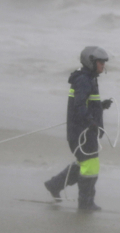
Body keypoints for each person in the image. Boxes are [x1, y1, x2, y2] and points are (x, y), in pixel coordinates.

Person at [44, 46, 112, 212]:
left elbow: (85, 104)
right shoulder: (83, 79)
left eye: (104, 62)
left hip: (83, 131)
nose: (103, 65)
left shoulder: (89, 78)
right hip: (81, 133)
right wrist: (90, 121)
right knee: (90, 166)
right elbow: (80, 105)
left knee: (84, 163)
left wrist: (99, 106)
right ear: (90, 62)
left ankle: (54, 185)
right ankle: (85, 202)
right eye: (100, 62)